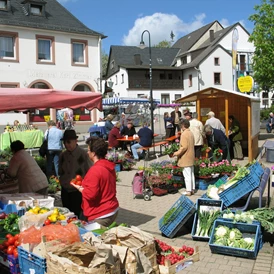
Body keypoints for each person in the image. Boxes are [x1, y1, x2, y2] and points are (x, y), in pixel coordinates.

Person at [71, 137, 119, 227]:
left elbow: (91, 195)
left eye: (89, 150)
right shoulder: (108, 165)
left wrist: (80, 188)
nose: (87, 152)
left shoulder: (95, 170)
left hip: (101, 213)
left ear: (93, 154)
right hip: (112, 208)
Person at [58, 129, 92, 218]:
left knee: (77, 215)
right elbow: (60, 171)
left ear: (75, 141)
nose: (66, 145)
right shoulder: (63, 155)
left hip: (77, 191)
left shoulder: (83, 154)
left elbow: (90, 172)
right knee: (67, 215)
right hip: (65, 190)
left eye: (68, 142)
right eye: (64, 142)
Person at [172, 119, 195, 196]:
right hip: (191, 156)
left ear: (182, 125)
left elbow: (184, 147)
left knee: (187, 175)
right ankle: (192, 189)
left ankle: (188, 190)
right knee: (191, 173)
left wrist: (176, 153)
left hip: (186, 157)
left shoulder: (184, 134)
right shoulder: (191, 133)